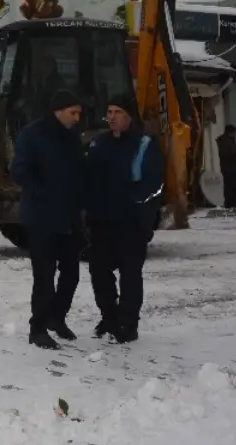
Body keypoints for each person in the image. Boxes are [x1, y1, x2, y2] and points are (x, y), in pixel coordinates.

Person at [11, 89, 87, 350]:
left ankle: (57, 318)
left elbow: (79, 173)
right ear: (58, 110)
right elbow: (20, 171)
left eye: (79, 112)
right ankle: (38, 329)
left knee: (71, 273)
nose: (77, 117)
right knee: (44, 276)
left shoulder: (72, 137)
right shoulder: (32, 135)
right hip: (41, 217)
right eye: (73, 112)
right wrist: (46, 193)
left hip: (69, 216)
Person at [85, 96, 164, 344]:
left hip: (131, 222)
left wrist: (138, 208)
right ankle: (109, 317)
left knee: (130, 274)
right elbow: (87, 177)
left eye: (118, 111)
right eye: (109, 111)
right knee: (99, 272)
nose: (112, 116)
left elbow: (155, 184)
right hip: (101, 222)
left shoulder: (145, 144)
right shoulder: (98, 143)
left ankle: (128, 323)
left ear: (129, 116)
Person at [216, 125, 236, 209]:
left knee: (233, 186)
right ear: (230, 132)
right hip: (230, 167)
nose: (235, 134)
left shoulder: (229, 140)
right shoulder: (224, 141)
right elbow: (227, 154)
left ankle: (233, 202)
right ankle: (230, 203)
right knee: (230, 186)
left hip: (233, 167)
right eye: (234, 132)